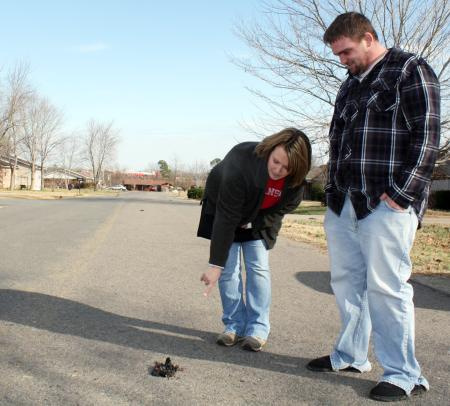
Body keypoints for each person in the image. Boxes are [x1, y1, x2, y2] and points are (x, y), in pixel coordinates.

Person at [306, 12, 440, 402]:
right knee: (347, 284)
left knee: (387, 289)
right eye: (337, 54)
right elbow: (338, 140)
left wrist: (403, 193)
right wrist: (331, 192)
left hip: (387, 203)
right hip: (344, 201)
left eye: (346, 51)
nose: (342, 60)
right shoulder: (349, 85)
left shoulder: (410, 70)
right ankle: (350, 355)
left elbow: (428, 137)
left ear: (367, 38)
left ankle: (402, 374)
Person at [198, 128, 311, 351]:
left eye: (286, 167)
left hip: (258, 222)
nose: (278, 170)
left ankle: (258, 329)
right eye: (276, 161)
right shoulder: (242, 160)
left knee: (258, 268)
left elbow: (283, 208)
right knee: (228, 269)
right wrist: (215, 265)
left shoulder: (295, 183)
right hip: (225, 212)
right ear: (270, 151)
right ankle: (234, 326)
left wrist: (253, 222)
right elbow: (227, 217)